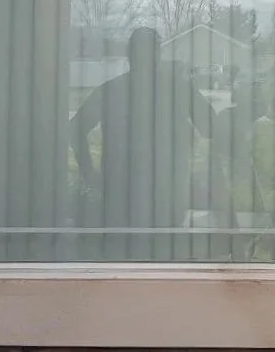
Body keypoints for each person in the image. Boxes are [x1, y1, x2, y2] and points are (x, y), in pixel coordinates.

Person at [70, 27, 216, 258]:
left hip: (156, 198)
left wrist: (90, 174)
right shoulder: (172, 88)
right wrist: (89, 174)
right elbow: (212, 128)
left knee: (136, 264)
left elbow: (211, 128)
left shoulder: (173, 88)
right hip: (133, 199)